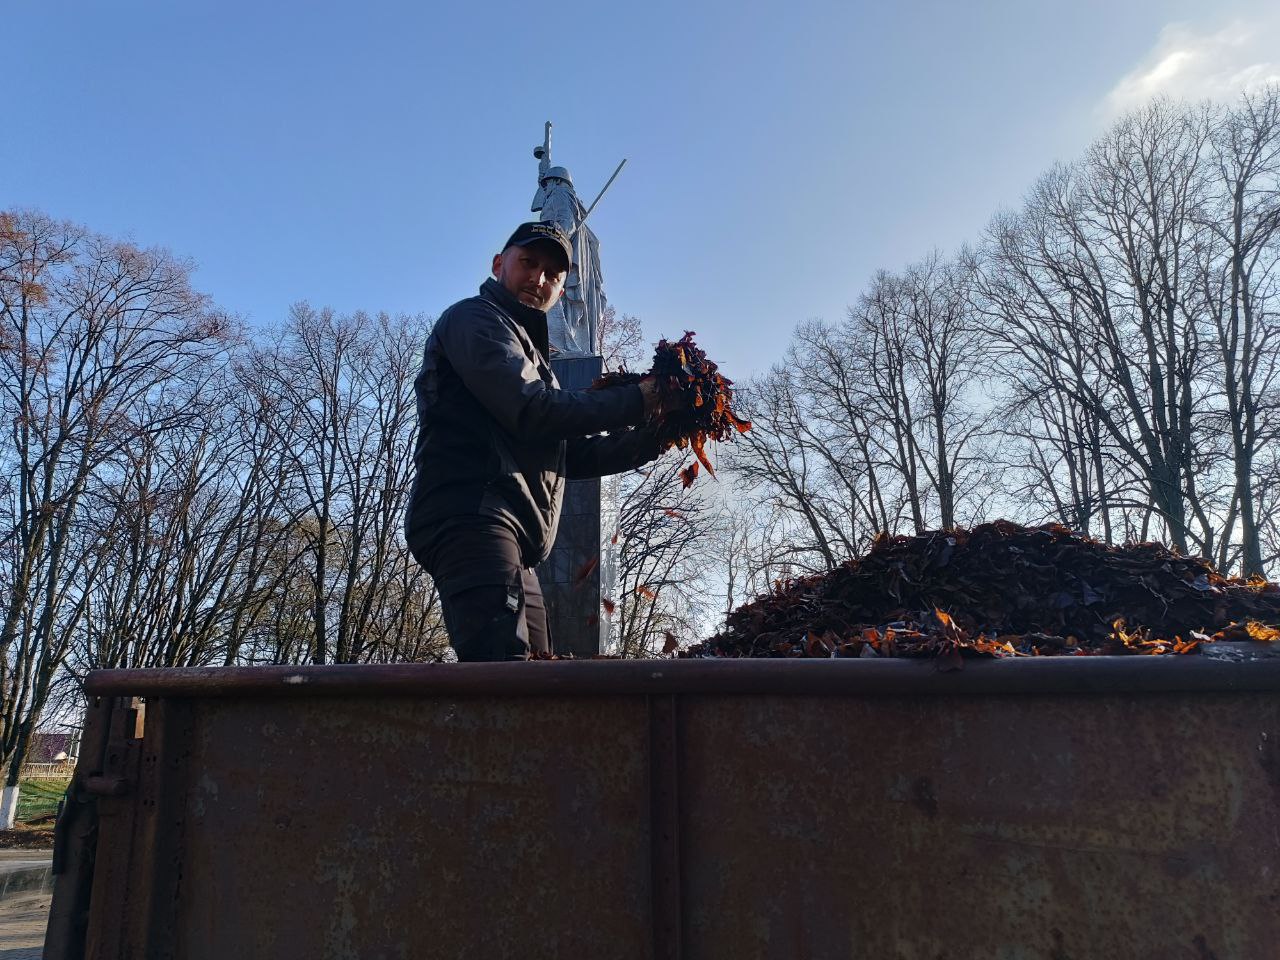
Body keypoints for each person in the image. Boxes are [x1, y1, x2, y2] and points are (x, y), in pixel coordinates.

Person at [405, 221, 672, 662]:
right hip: (472, 515)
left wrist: (656, 435)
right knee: (507, 682)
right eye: (528, 263)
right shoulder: (475, 320)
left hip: (512, 536)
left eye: (552, 274)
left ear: (562, 289)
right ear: (498, 264)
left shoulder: (533, 356)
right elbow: (534, 410)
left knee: (538, 676)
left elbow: (569, 454)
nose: (539, 279)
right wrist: (639, 401)